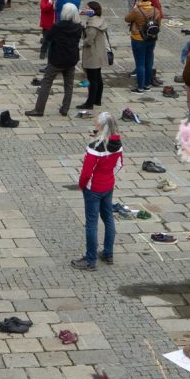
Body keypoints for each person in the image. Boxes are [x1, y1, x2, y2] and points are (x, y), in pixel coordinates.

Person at [72, 112, 121, 270]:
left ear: (102, 127)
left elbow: (86, 172)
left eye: (97, 125)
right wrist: (109, 178)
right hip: (108, 186)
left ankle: (90, 260)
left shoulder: (94, 147)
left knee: (91, 224)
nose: (95, 127)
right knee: (108, 218)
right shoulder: (117, 143)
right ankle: (108, 253)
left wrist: (82, 185)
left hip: (93, 188)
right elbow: (119, 164)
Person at [29, 3, 84, 118]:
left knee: (46, 83)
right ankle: (65, 109)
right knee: (68, 85)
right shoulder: (78, 27)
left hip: (57, 60)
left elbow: (47, 39)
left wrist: (43, 51)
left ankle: (39, 110)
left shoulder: (57, 26)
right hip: (71, 59)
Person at [75, 0, 110, 115]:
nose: (86, 10)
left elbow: (89, 40)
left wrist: (81, 43)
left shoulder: (92, 25)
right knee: (98, 77)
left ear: (93, 10)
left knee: (92, 79)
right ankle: (97, 99)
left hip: (92, 54)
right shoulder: (100, 20)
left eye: (88, 8)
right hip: (99, 52)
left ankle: (90, 102)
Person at [125, 0, 161, 93]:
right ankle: (147, 85)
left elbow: (127, 19)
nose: (135, 2)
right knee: (149, 62)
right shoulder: (155, 10)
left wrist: (135, 7)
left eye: (136, 0)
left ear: (140, 0)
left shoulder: (137, 10)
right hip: (151, 38)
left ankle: (140, 87)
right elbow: (158, 24)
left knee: (140, 64)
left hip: (138, 38)